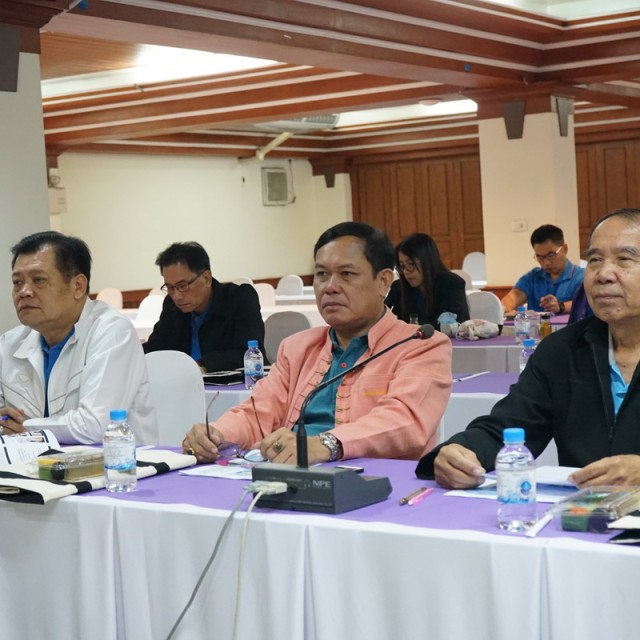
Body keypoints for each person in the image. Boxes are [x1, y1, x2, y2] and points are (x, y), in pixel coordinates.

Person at [183, 222, 452, 465]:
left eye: (346, 274)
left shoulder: (421, 345)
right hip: (291, 476)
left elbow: (404, 421)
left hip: (381, 486)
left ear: (383, 282)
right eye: (322, 274)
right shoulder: (297, 348)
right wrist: (216, 434)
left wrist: (325, 445)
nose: (330, 286)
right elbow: (257, 412)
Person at [416, 207, 640, 489]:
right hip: (578, 511)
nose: (603, 274)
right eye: (594, 260)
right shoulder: (563, 350)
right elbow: (509, 426)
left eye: (624, 259)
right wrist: (462, 450)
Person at [0, 231, 156, 444]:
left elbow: (96, 425)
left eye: (39, 280)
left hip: (116, 462)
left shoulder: (113, 332)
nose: (24, 291)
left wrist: (27, 429)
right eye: (17, 282)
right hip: (34, 462)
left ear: (78, 286)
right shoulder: (9, 343)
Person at [143, 242, 266, 372]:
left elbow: (251, 354)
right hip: (185, 381)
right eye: (170, 287)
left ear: (206, 278)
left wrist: (201, 365)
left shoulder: (239, 298)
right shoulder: (172, 305)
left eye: (183, 286)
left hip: (235, 382)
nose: (177, 296)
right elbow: (155, 347)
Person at [385, 232, 470, 328]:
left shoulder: (452, 284)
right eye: (402, 266)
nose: (406, 272)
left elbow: (452, 324)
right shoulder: (398, 287)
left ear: (427, 261)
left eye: (411, 264)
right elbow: (386, 317)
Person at [500, 224, 584, 314]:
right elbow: (513, 297)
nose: (546, 262)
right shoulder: (532, 277)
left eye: (551, 255)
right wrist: (504, 308)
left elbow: (585, 304)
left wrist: (560, 306)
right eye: (540, 257)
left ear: (564, 248)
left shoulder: (581, 276)